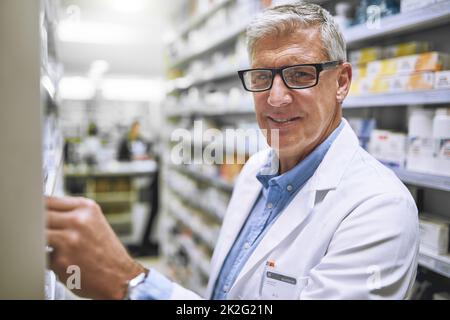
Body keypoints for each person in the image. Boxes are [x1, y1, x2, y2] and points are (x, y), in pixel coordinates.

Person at [46, 3, 419, 300]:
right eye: (261, 77)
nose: (275, 97)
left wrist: (130, 283)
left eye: (300, 74)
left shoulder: (380, 209)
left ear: (341, 82)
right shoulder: (254, 172)